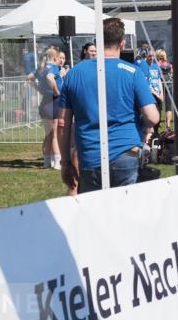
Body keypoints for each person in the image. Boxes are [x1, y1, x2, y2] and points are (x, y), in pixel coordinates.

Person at [58, 18, 158, 193]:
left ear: (97, 41)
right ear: (122, 43)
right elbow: (153, 116)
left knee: (94, 215)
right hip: (127, 152)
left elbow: (63, 124)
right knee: (127, 212)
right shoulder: (133, 72)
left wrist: (65, 161)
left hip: (90, 156)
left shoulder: (73, 74)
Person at [28, 46, 63, 168]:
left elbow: (29, 78)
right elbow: (50, 78)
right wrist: (56, 91)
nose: (60, 60)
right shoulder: (53, 68)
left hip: (44, 103)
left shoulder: (41, 68)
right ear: (55, 57)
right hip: (53, 102)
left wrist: (38, 89)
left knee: (48, 135)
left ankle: (47, 162)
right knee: (54, 135)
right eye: (59, 57)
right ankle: (57, 163)